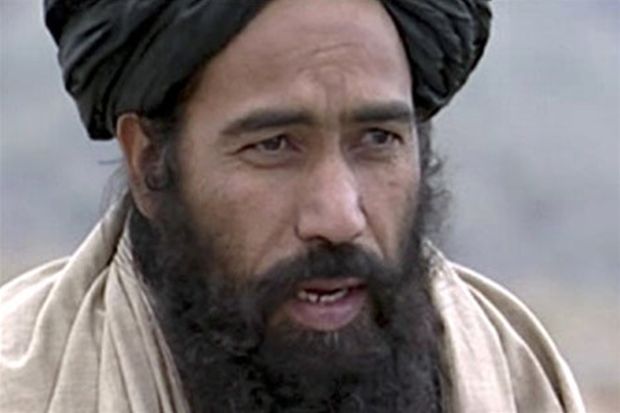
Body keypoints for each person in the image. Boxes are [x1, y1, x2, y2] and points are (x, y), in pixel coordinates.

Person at [0, 0, 585, 412]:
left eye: (377, 139)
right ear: (150, 163)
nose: (339, 218)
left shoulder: (520, 378)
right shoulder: (22, 386)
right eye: (274, 145)